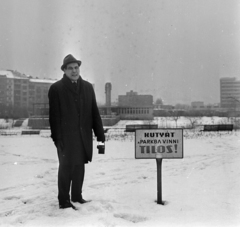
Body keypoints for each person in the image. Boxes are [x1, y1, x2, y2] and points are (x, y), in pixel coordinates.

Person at [48, 54, 105, 209]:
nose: (74, 71)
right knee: (66, 167)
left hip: (83, 136)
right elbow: (54, 118)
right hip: (65, 138)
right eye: (70, 68)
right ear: (64, 71)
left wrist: (101, 137)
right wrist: (57, 139)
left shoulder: (87, 87)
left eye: (76, 67)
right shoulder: (56, 89)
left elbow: (94, 114)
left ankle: (77, 196)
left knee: (79, 166)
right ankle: (64, 201)